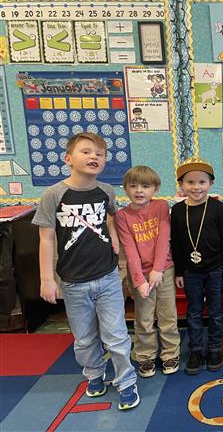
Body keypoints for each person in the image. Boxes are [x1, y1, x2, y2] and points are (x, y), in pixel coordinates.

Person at [33, 132, 139, 410]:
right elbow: (46, 238)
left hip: (107, 278)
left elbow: (112, 217)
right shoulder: (53, 195)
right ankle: (93, 375)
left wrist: (114, 237)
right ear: (68, 159)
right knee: (84, 339)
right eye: (86, 151)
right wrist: (46, 279)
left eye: (100, 154)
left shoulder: (106, 191)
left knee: (116, 334)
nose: (94, 157)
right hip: (73, 282)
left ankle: (126, 381)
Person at [171, 158, 223, 375]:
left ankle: (215, 347)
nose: (196, 187)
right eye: (190, 182)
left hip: (216, 269)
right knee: (194, 311)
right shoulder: (178, 210)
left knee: (216, 311)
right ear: (181, 184)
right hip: (190, 271)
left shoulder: (217, 207)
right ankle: (196, 349)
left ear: (210, 183)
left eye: (201, 182)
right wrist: (179, 271)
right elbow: (176, 243)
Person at [116, 166, 180, 377]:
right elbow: (129, 249)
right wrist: (139, 281)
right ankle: (145, 356)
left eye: (145, 186)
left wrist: (157, 269)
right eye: (133, 186)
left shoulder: (161, 207)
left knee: (167, 315)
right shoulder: (123, 216)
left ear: (156, 188)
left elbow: (164, 240)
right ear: (125, 188)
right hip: (139, 275)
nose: (139, 191)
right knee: (143, 318)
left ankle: (170, 353)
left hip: (164, 271)